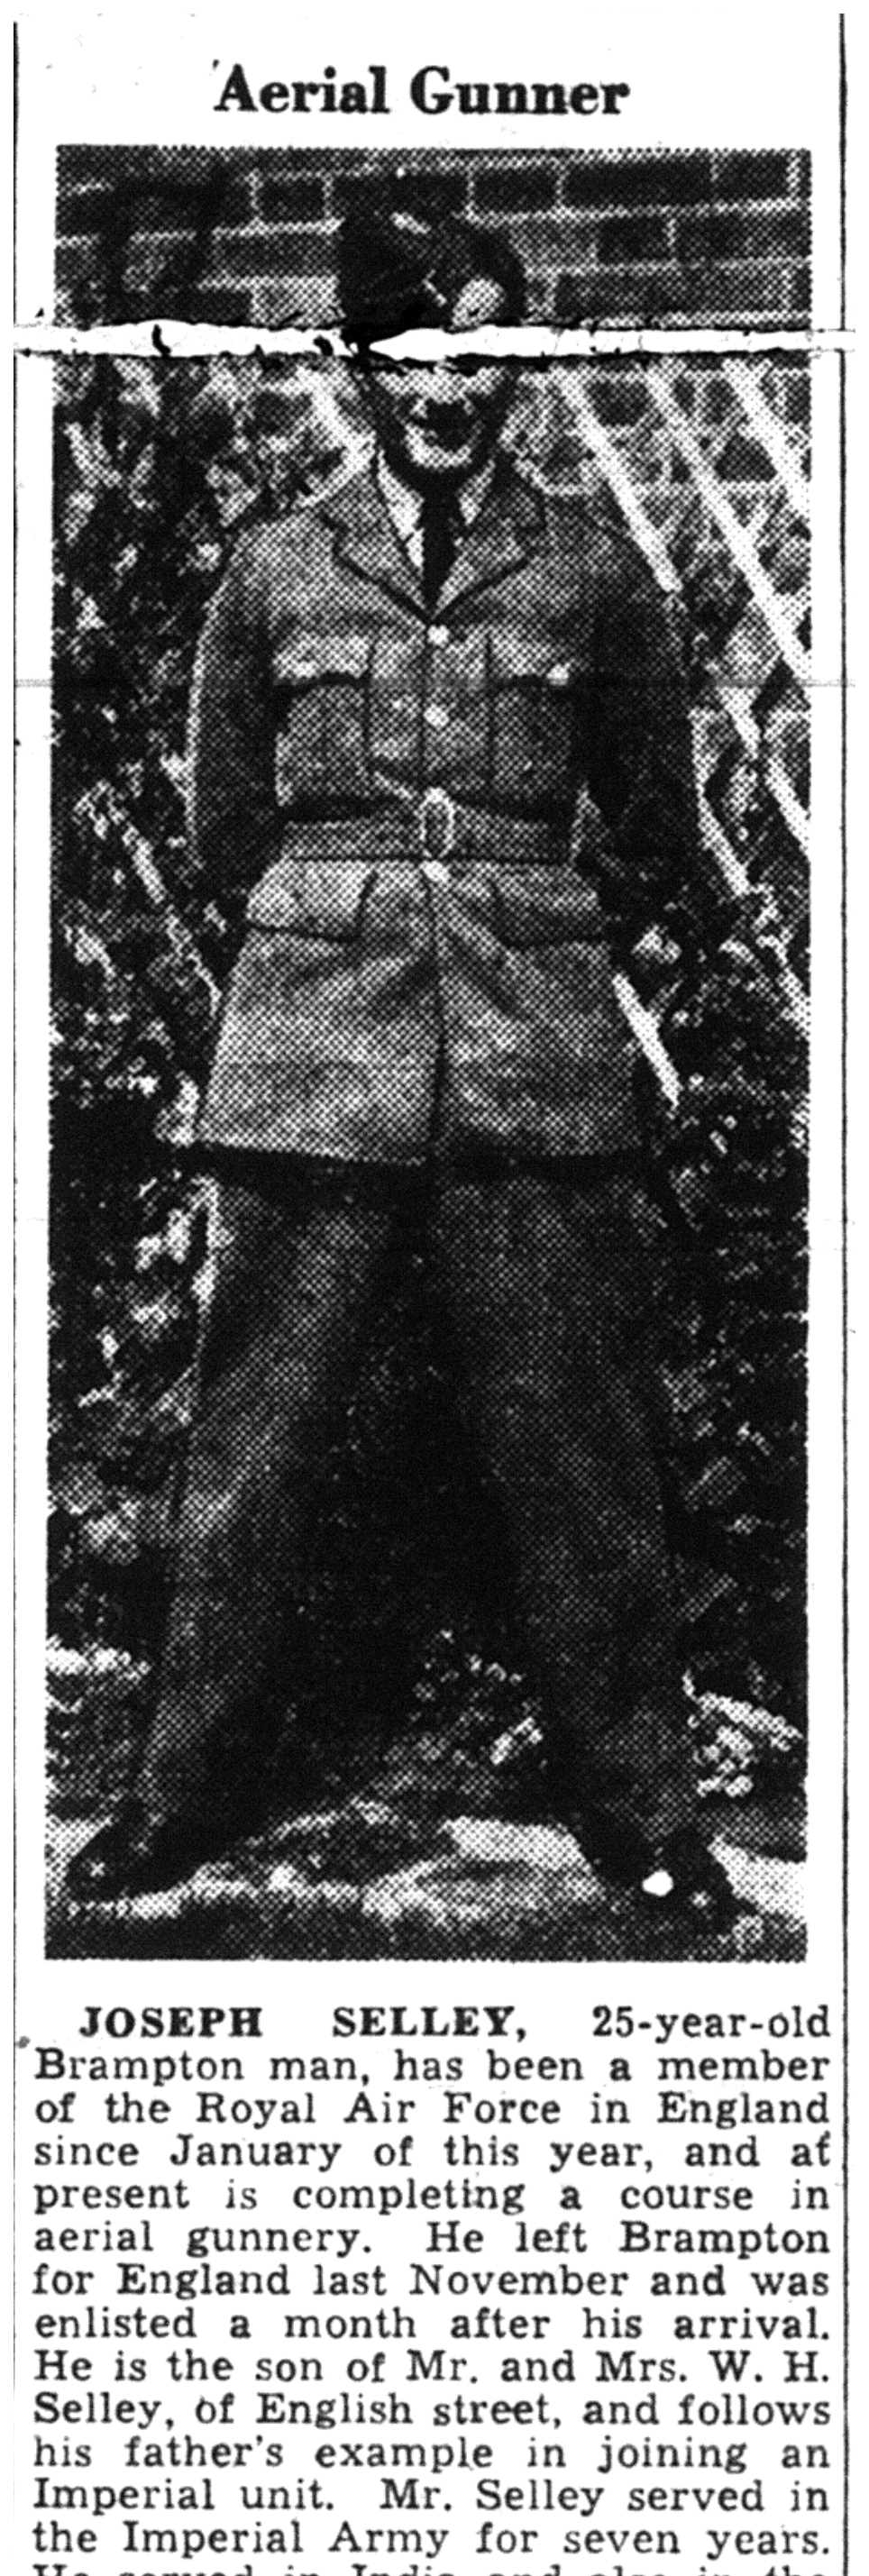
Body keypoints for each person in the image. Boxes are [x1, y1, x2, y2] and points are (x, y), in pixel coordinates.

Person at [69, 190, 734, 1945]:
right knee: (256, 1441)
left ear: (514, 370)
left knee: (580, 1452)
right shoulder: (278, 569)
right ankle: (176, 1795)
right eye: (413, 354)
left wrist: (530, 932)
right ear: (362, 364)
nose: (445, 388)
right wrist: (343, 929)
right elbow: (226, 827)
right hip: (315, 1057)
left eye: (477, 356)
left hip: (529, 1061)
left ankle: (645, 1818)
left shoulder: (590, 570)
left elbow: (653, 829)